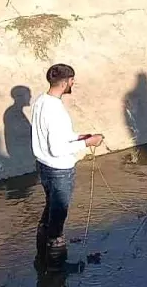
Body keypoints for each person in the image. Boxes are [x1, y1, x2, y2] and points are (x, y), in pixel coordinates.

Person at [32, 64, 103, 266]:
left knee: (50, 211)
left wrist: (78, 137)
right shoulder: (54, 109)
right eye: (72, 80)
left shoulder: (41, 101)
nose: (73, 83)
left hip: (44, 167)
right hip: (59, 170)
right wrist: (87, 143)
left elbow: (55, 137)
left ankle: (41, 259)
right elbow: (57, 148)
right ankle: (56, 268)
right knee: (58, 218)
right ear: (64, 83)